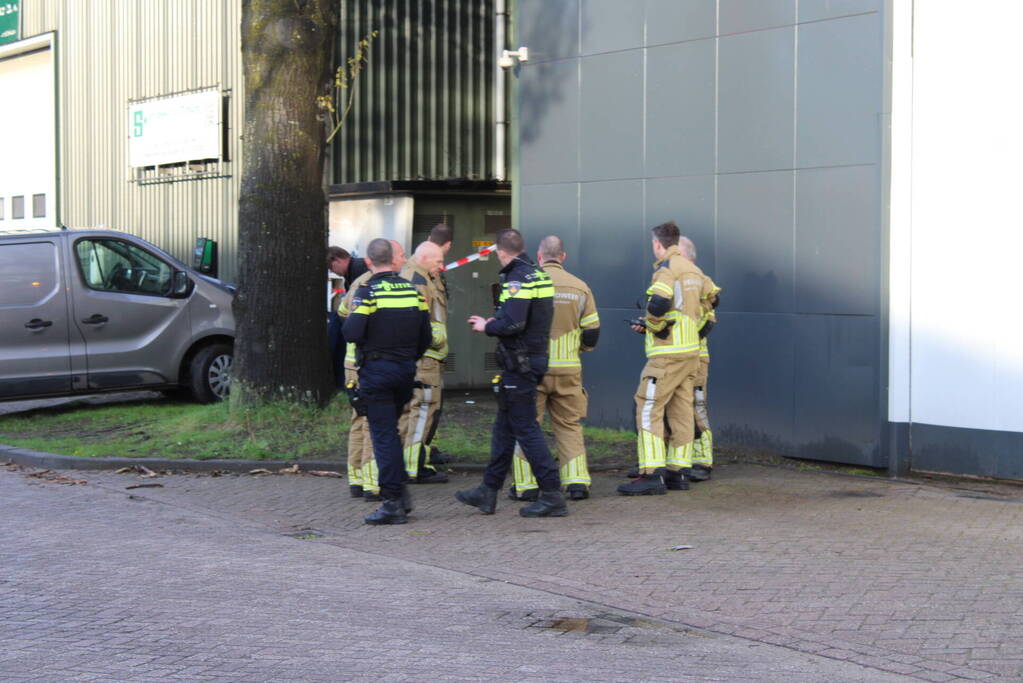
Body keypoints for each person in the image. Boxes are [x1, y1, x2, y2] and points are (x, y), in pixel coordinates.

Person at [455, 229, 568, 518]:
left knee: (526, 429)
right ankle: (487, 491)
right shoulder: (537, 273)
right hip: (530, 359)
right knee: (503, 429)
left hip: (521, 362)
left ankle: (553, 495)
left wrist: (487, 325)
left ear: (500, 252)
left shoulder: (517, 278)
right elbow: (527, 317)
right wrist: (501, 320)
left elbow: (514, 323)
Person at [619, 221, 719, 496]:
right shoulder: (695, 271)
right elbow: (713, 299)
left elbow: (660, 302)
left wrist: (654, 325)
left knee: (647, 405)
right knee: (682, 410)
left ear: (657, 244)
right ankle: (678, 472)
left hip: (667, 354)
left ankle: (651, 474)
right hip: (691, 353)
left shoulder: (667, 269)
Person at [342, 238, 430, 525]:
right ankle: (401, 495)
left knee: (384, 437)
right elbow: (425, 337)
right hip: (405, 371)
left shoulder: (367, 293)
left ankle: (393, 501)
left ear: (369, 262)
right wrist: (408, 359)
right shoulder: (412, 291)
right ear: (393, 259)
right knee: (392, 433)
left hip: (377, 372)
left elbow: (352, 332)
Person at [509, 236, 600, 502]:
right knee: (569, 425)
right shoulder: (580, 287)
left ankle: (526, 485)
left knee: (528, 426)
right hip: (568, 370)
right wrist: (578, 350)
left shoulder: (529, 282)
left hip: (532, 369)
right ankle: (577, 483)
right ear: (563, 257)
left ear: (539, 256)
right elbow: (592, 332)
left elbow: (514, 325)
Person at [398, 241, 449, 483]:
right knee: (422, 409)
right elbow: (415, 322)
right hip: (425, 358)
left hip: (424, 356)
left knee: (414, 411)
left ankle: (409, 462)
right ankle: (414, 466)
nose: (442, 266)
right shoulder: (417, 281)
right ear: (425, 258)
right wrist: (434, 341)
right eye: (438, 261)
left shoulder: (422, 276)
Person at [678, 236, 720, 482]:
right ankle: (679, 460)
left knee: (697, 405)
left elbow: (706, 322)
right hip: (676, 356)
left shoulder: (701, 282)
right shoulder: (679, 279)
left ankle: (702, 460)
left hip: (695, 356)